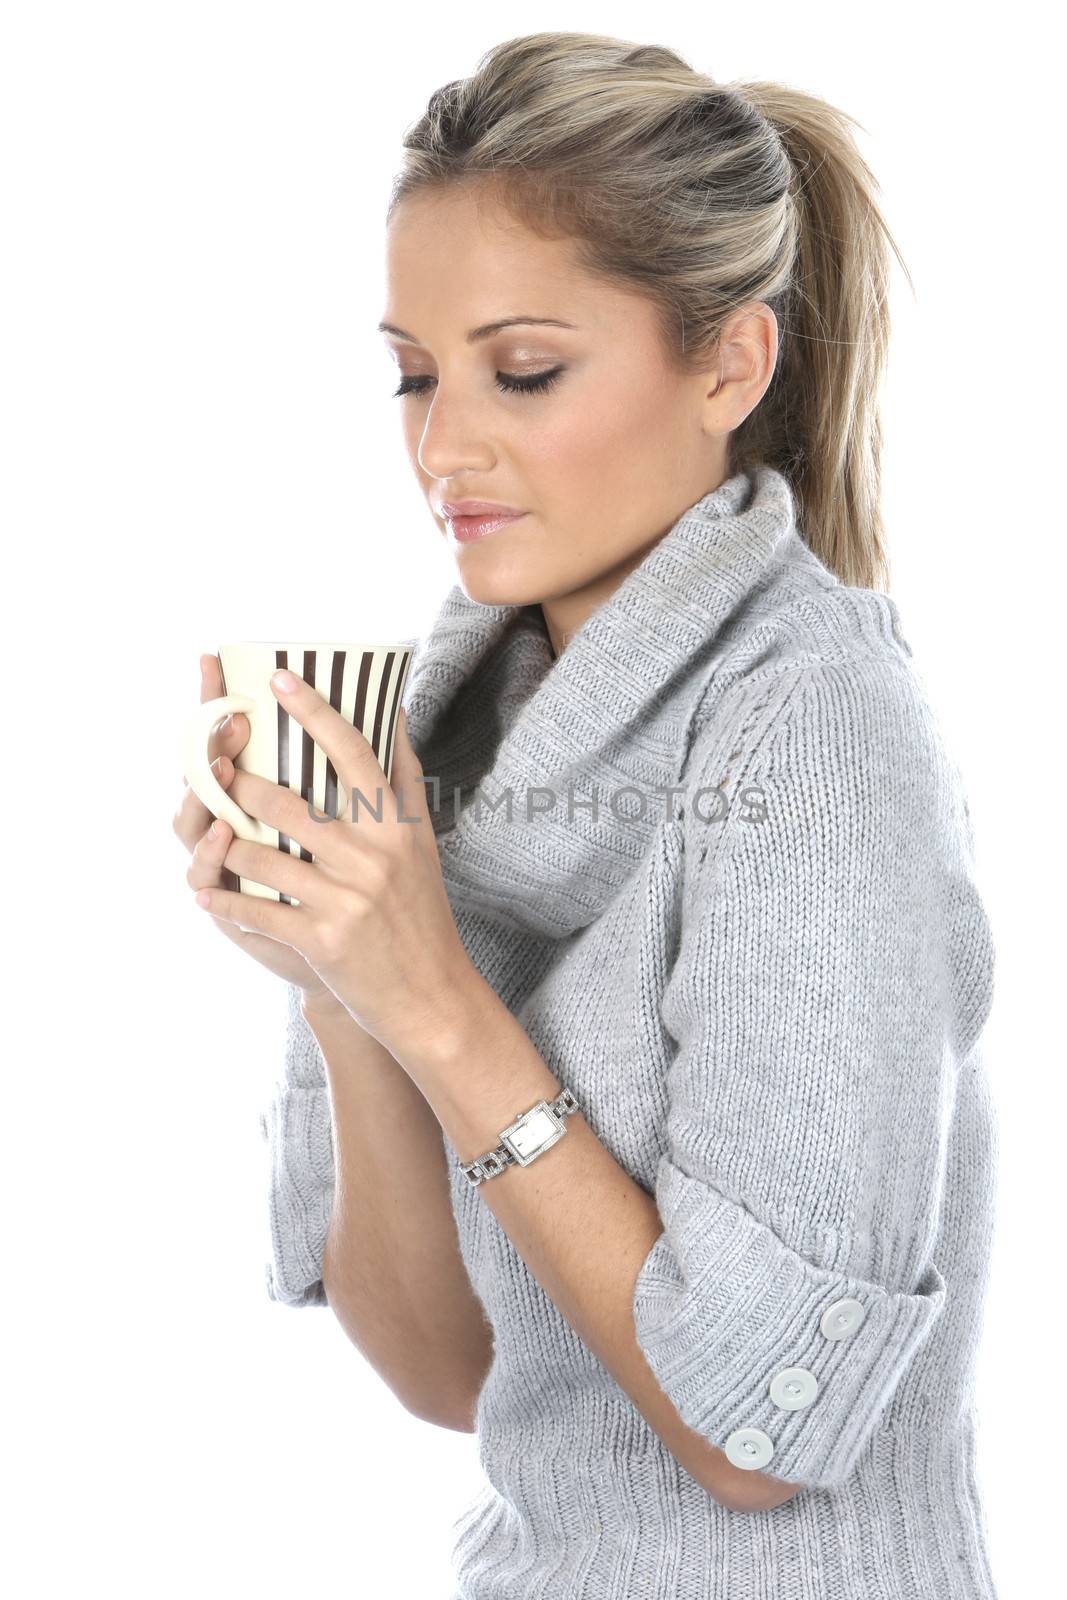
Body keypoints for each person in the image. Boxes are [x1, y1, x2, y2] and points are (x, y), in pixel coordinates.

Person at [174, 32, 1002, 1600]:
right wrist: (349, 985)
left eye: (524, 370)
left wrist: (438, 995)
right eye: (415, 375)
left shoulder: (814, 730)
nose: (443, 446)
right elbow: (455, 1380)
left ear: (730, 367)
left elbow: (763, 1433)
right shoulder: (456, 740)